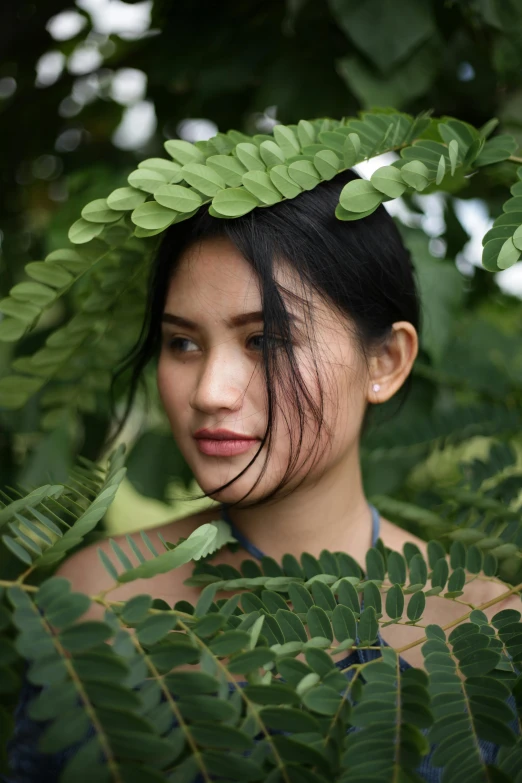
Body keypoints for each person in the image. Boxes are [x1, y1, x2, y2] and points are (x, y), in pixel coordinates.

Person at [4, 169, 518, 782]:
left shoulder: (488, 632)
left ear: (385, 361)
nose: (210, 392)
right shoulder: (92, 598)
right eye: (182, 343)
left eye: (265, 338)